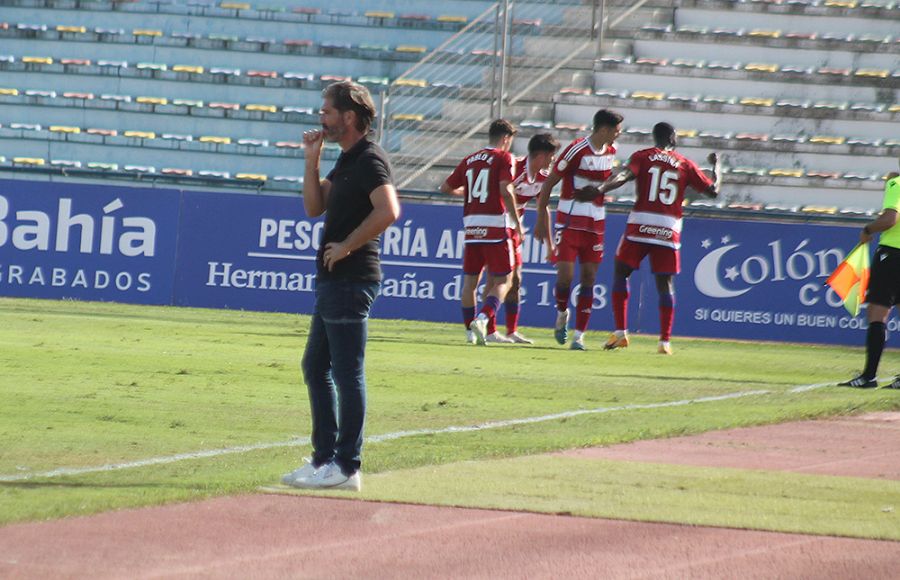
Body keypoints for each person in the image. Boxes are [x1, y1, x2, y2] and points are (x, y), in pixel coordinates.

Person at [282, 81, 400, 491]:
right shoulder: (347, 160)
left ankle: (346, 465)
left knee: (346, 373)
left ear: (349, 117)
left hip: (352, 279)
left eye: (328, 112)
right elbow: (314, 208)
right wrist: (311, 162)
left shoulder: (369, 159)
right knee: (315, 367)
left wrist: (348, 246)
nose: (322, 118)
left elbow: (390, 210)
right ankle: (323, 459)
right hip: (334, 280)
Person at [576, 122, 721, 355]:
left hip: (640, 224)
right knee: (665, 284)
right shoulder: (685, 163)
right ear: (672, 138)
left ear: (655, 137)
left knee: (621, 272)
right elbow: (713, 191)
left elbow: (623, 176)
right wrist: (717, 167)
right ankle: (664, 341)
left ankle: (621, 331)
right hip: (668, 228)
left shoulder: (643, 157)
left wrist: (601, 189)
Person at [534, 109, 623, 350]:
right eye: (616, 130)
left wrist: (603, 188)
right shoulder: (577, 150)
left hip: (595, 224)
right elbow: (549, 184)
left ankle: (579, 336)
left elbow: (606, 181)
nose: (619, 134)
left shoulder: (611, 152)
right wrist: (541, 218)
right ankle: (562, 312)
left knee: (589, 278)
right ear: (604, 129)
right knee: (565, 277)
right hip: (570, 221)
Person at [440, 119, 525, 345]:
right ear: (506, 138)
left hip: (471, 226)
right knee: (504, 280)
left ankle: (470, 332)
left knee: (470, 283)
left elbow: (445, 188)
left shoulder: (469, 159)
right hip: (495, 226)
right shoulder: (504, 157)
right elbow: (506, 190)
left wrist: (467, 194)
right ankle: (483, 318)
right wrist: (517, 223)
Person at [840, 165, 900, 388]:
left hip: (893, 255)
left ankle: (869, 376)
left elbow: (890, 219)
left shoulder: (897, 184)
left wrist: (868, 229)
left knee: (877, 314)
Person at [500, 132, 560, 344]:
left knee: (515, 280)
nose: (553, 160)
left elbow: (544, 207)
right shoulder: (513, 168)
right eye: (552, 156)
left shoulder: (542, 178)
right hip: (497, 225)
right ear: (542, 155)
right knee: (499, 279)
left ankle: (511, 330)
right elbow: (499, 194)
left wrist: (550, 245)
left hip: (514, 230)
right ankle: (485, 325)